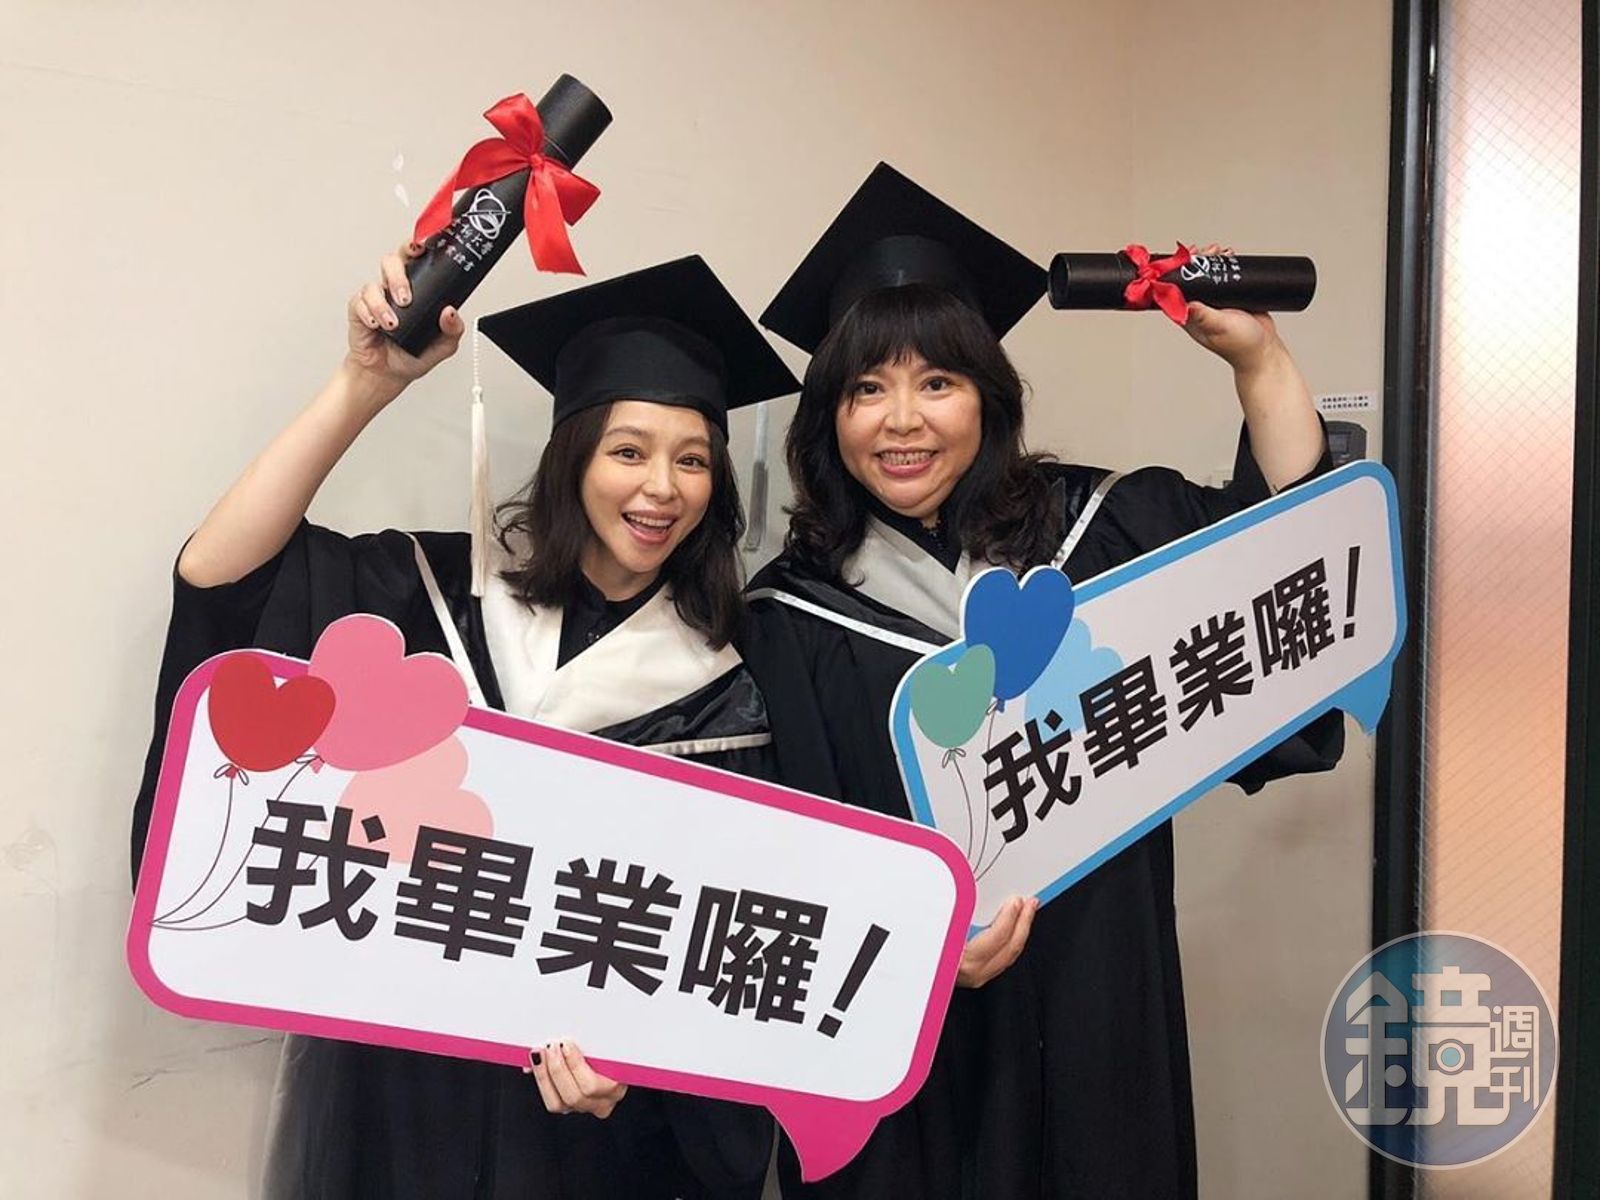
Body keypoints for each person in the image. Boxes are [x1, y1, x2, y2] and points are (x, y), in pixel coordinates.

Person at [130, 249, 798, 1199]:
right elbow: (223, 579)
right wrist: (364, 384)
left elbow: (726, 948)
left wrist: (645, 1067)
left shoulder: (731, 690)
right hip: (402, 1099)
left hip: (595, 1130)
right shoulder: (432, 597)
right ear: (573, 457)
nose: (662, 487)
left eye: (692, 460)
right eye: (628, 450)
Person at [741, 163, 1346, 1199]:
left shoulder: (1101, 534)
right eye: (866, 389)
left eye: (938, 382)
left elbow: (1281, 580)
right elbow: (784, 857)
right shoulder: (789, 618)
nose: (902, 421)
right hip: (904, 1030)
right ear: (829, 418)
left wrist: (1260, 362)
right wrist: (920, 950)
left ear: (989, 397)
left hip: (1094, 988)